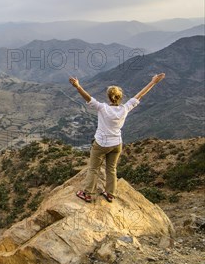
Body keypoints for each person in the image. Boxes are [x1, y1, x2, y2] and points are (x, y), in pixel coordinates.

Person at [69, 73, 166, 203]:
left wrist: (78, 86)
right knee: (111, 169)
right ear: (120, 97)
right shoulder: (125, 108)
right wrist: (153, 82)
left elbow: (88, 98)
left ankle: (87, 194)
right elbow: (140, 94)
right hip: (117, 144)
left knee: (93, 168)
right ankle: (110, 194)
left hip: (101, 144)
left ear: (108, 97)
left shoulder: (103, 108)